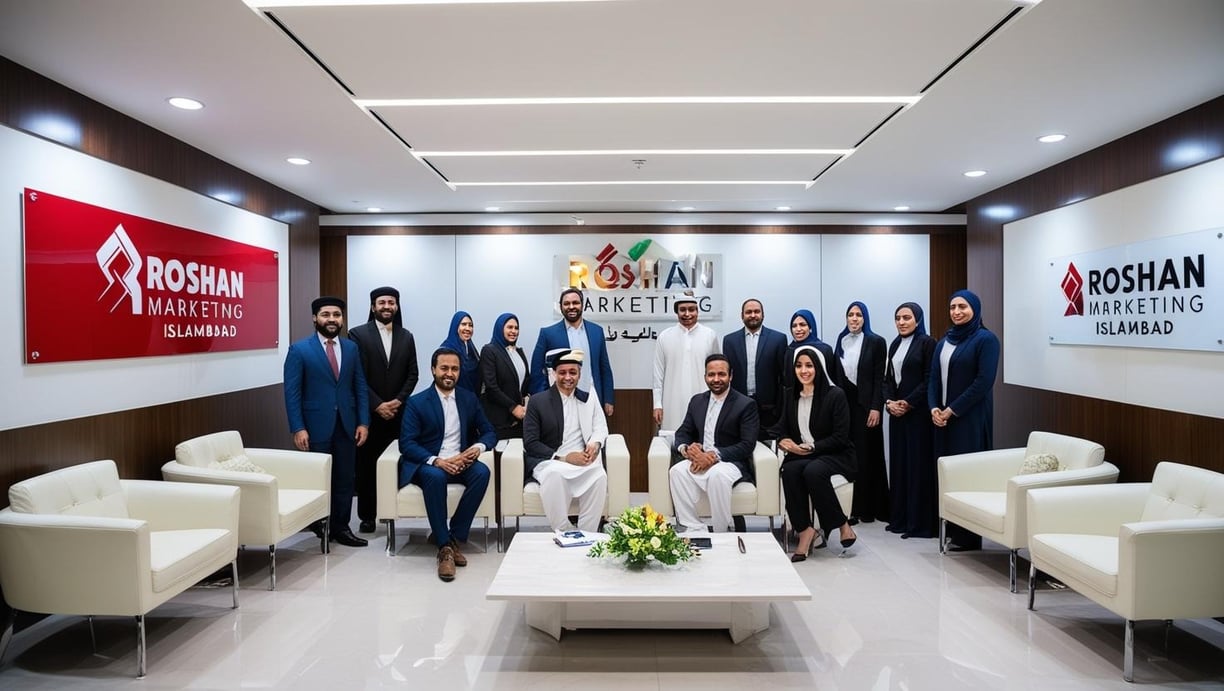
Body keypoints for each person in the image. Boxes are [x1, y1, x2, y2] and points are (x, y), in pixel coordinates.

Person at [398, 347, 497, 581]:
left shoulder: (468, 398)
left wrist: (475, 449)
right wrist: (438, 461)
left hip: (460, 460)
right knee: (436, 476)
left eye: (454, 369)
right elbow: (407, 444)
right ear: (433, 370)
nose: (449, 373)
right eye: (444, 368)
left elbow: (489, 432)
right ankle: (444, 549)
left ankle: (453, 537)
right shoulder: (417, 402)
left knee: (482, 472)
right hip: (429, 464)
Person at [283, 296, 370, 548]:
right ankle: (321, 525)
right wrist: (297, 427)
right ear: (315, 318)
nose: (332, 319)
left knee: (345, 479)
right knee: (318, 480)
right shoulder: (299, 350)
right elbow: (292, 393)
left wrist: (363, 422)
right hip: (314, 426)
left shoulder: (351, 348)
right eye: (326, 315)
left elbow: (360, 387)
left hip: (347, 424)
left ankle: (341, 528)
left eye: (336, 315)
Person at [929, 289, 1000, 551]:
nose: (957, 312)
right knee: (948, 476)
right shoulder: (944, 341)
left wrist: (952, 410)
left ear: (975, 309)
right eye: (953, 307)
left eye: (963, 307)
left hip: (969, 418)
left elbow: (983, 382)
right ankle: (950, 529)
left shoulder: (986, 340)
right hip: (942, 420)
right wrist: (934, 407)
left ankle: (969, 537)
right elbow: (933, 379)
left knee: (969, 476)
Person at [771, 346, 857, 562]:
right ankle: (804, 530)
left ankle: (842, 524)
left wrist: (811, 447)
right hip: (802, 454)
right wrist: (784, 441)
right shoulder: (790, 394)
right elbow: (780, 427)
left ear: (818, 367)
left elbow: (840, 437)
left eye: (809, 365)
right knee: (789, 471)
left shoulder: (835, 394)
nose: (804, 370)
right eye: (799, 366)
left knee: (813, 471)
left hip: (834, 453)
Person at [348, 286, 419, 534]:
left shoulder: (406, 336)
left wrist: (397, 401)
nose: (387, 306)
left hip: (399, 413)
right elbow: (356, 375)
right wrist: (378, 404)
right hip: (369, 412)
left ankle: (392, 509)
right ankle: (367, 515)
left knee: (396, 462)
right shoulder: (357, 335)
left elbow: (413, 374)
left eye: (391, 302)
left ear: (397, 307)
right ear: (372, 306)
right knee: (367, 464)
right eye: (382, 302)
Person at [669, 354, 760, 533]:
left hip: (730, 463)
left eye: (721, 374)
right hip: (698, 460)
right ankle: (693, 527)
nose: (716, 379)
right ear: (705, 377)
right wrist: (688, 449)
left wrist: (713, 456)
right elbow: (682, 433)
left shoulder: (745, 404)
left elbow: (747, 444)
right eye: (711, 375)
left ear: (730, 375)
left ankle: (722, 530)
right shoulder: (697, 401)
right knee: (676, 471)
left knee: (717, 475)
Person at [521, 349, 609, 533]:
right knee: (555, 475)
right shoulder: (538, 401)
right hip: (550, 461)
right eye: (562, 372)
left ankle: (587, 534)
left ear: (579, 375)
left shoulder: (588, 397)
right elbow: (530, 443)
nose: (567, 377)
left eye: (572, 372)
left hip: (582, 462)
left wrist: (594, 444)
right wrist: (564, 458)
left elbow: (600, 427)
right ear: (554, 374)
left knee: (600, 476)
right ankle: (564, 531)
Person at [883, 302, 938, 539]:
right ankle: (900, 519)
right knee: (899, 465)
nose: (902, 322)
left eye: (906, 317)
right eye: (898, 318)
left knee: (916, 466)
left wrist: (907, 402)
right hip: (896, 415)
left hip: (917, 415)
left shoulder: (927, 343)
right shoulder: (895, 343)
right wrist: (888, 402)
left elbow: (930, 380)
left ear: (917, 319)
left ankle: (918, 523)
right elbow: (887, 378)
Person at [835, 301, 889, 524]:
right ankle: (851, 507)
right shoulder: (841, 340)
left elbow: (879, 378)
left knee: (867, 457)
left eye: (858, 315)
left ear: (865, 318)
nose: (854, 319)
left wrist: (876, 406)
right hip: (846, 405)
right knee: (850, 456)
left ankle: (868, 508)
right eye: (850, 315)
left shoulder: (876, 341)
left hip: (867, 406)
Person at [530, 288, 615, 418]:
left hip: (591, 397)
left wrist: (608, 398)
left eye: (575, 303)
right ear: (561, 307)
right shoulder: (548, 334)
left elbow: (605, 368)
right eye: (566, 304)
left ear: (582, 304)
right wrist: (541, 402)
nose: (571, 307)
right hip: (560, 400)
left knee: (593, 436)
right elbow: (537, 372)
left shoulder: (596, 331)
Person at [652, 294, 720, 431]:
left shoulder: (710, 335)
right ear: (676, 311)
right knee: (672, 441)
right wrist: (657, 404)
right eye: (682, 309)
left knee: (704, 439)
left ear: (697, 311)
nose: (687, 314)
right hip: (672, 402)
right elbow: (658, 374)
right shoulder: (664, 336)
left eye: (692, 309)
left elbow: (718, 370)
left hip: (705, 399)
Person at [723, 298, 788, 440]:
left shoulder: (778, 339)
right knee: (740, 443)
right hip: (738, 405)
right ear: (742, 316)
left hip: (769, 409)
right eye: (749, 312)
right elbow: (727, 375)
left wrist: (780, 408)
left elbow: (784, 377)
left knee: (766, 447)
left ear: (763, 315)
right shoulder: (729, 341)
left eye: (756, 311)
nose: (753, 315)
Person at [479, 313, 531, 440]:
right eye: (509, 327)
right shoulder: (489, 351)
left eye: (516, 328)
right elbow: (491, 387)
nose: (514, 331)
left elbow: (525, 382)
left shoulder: (519, 352)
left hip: (520, 419)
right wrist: (512, 407)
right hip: (499, 420)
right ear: (500, 328)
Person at [784, 309, 844, 394]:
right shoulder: (789, 350)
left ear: (811, 327)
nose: (798, 329)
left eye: (802, 325)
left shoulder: (824, 349)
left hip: (821, 398)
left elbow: (832, 378)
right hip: (796, 399)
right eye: (794, 326)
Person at [440, 311, 480, 394]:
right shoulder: (447, 349)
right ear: (456, 326)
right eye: (464, 324)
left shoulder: (471, 348)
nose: (468, 328)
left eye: (470, 325)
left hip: (473, 399)